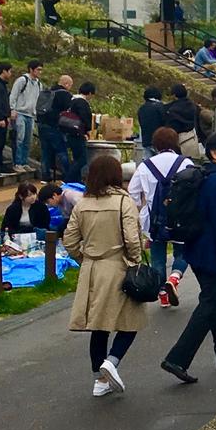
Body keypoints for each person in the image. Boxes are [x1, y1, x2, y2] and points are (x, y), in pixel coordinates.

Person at [160, 131, 216, 384]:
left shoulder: (204, 175)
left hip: (196, 248)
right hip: (212, 253)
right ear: (215, 153)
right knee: (210, 304)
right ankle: (177, 358)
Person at [62, 153, 148, 398]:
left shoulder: (82, 204)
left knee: (98, 325)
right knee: (131, 320)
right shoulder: (124, 203)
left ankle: (100, 380)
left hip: (92, 268)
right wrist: (134, 261)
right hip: (117, 265)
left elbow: (69, 240)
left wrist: (84, 259)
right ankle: (112, 360)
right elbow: (132, 239)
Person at [131, 126, 191, 306]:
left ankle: (162, 293)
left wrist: (145, 204)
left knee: (158, 256)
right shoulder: (184, 163)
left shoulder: (145, 166)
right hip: (181, 218)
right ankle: (174, 278)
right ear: (176, 142)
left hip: (154, 219)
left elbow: (133, 193)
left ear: (155, 144)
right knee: (183, 252)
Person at [8, 59, 44, 171]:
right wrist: (12, 109)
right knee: (20, 138)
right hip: (20, 113)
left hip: (30, 115)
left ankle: (24, 162)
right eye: (38, 69)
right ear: (31, 69)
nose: (40, 72)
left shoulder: (38, 84)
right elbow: (13, 95)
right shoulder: (22, 80)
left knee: (28, 140)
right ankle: (18, 162)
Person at [39, 72, 75, 179]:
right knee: (61, 152)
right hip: (55, 127)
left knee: (45, 152)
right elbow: (69, 112)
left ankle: (45, 176)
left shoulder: (47, 91)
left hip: (42, 125)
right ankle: (67, 176)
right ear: (66, 84)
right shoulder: (65, 94)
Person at [60, 79, 97, 181]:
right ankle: (68, 179)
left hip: (70, 132)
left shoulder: (73, 100)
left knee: (77, 158)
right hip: (76, 134)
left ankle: (76, 180)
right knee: (82, 159)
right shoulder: (82, 102)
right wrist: (88, 131)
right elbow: (84, 117)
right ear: (89, 93)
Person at [163, 82, 202, 160]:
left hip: (179, 141)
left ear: (174, 95)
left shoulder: (172, 110)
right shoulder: (194, 107)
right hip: (193, 138)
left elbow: (172, 128)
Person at [0, 180, 43, 247]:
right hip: (17, 237)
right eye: (29, 195)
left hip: (36, 236)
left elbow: (44, 224)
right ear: (21, 196)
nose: (33, 197)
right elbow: (6, 227)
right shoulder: (13, 209)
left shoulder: (40, 207)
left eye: (34, 194)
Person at [135, 87, 166, 155]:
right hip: (159, 142)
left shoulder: (142, 108)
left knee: (149, 163)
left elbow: (140, 123)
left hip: (146, 141)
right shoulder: (161, 107)